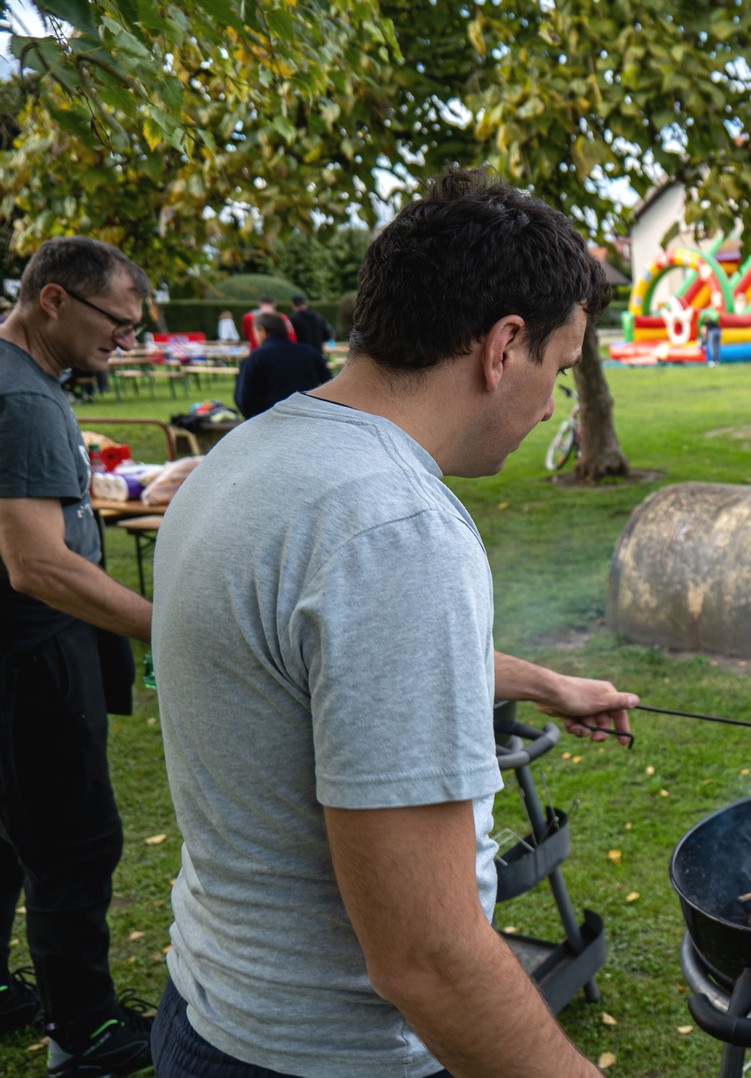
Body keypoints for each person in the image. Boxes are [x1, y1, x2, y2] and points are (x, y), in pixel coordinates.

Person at [149, 169, 637, 1078]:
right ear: (503, 346)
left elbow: (320, 664)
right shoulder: (395, 528)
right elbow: (427, 955)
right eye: (559, 372)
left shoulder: (250, 454)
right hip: (326, 1057)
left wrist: (544, 683)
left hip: (208, 1012)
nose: (550, 408)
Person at [0, 236, 158, 1075]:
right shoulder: (25, 399)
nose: (124, 343)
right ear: (54, 300)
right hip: (33, 653)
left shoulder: (20, 377)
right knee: (72, 841)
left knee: (9, 832)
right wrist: (163, 624)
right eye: (117, 325)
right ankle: (84, 1032)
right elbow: (35, 564)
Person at [234, 311, 332, 418]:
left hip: (271, 420)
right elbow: (329, 385)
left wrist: (257, 420)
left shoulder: (256, 358)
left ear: (261, 330)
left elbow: (244, 399)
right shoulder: (311, 353)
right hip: (308, 418)